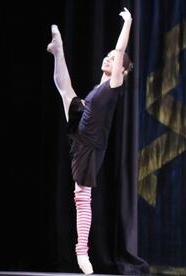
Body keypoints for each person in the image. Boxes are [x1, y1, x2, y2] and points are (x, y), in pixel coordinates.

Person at [47, 8, 133, 275]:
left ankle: (82, 251)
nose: (108, 58)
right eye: (106, 56)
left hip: (91, 144)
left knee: (82, 197)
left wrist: (127, 23)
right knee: (65, 90)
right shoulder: (99, 87)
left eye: (113, 58)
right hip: (84, 123)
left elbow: (120, 53)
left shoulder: (114, 86)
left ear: (123, 71)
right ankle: (58, 50)